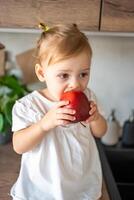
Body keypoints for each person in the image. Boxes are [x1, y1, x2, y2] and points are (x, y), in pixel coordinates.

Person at [10, 23, 107, 200]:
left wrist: (96, 118)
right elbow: (19, 146)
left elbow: (101, 132)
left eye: (83, 74)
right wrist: (43, 125)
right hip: (43, 189)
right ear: (41, 73)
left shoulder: (88, 96)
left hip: (81, 185)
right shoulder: (29, 105)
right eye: (64, 75)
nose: (76, 84)